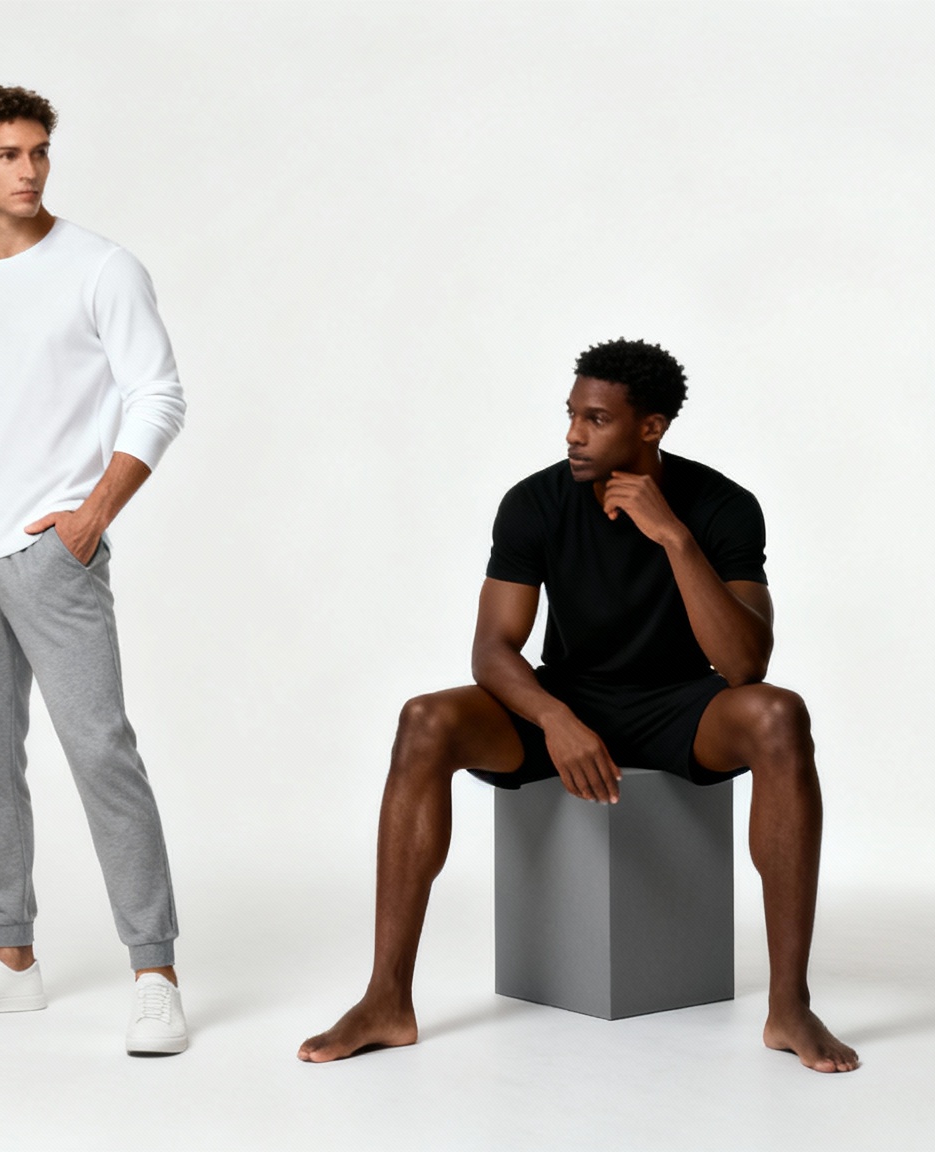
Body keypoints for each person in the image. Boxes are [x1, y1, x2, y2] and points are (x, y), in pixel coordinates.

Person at [298, 339, 860, 1073]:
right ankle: (386, 999)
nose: (572, 434)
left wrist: (674, 539)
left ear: (650, 428)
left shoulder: (722, 506)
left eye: (595, 419)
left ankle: (790, 1006)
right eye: (571, 415)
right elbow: (493, 651)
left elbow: (744, 664)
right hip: (567, 697)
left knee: (779, 715)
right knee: (425, 721)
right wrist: (557, 719)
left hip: (680, 706)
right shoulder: (534, 502)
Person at [0, 86, 191, 1055]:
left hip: (50, 554)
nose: (26, 170)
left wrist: (90, 516)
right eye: (7, 154)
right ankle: (11, 962)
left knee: (100, 754)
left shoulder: (100, 268)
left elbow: (157, 394)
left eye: (38, 152)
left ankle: (154, 973)